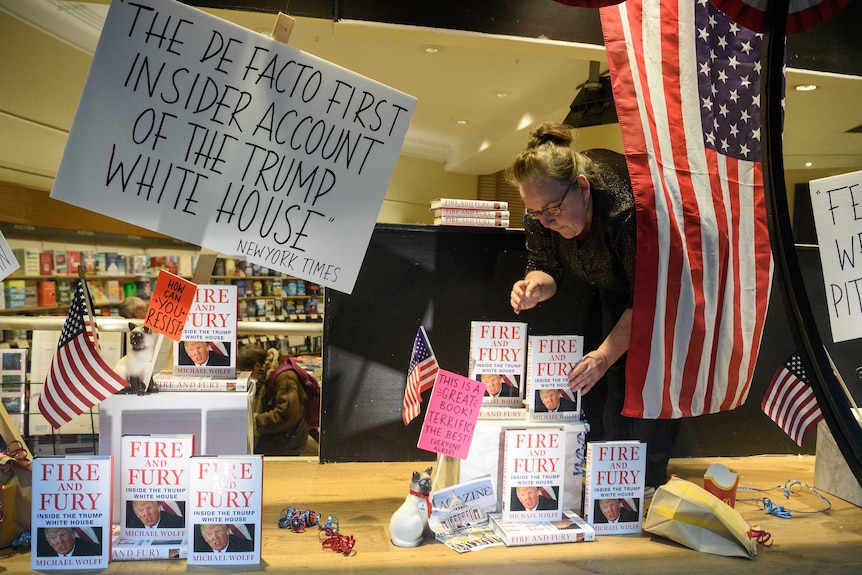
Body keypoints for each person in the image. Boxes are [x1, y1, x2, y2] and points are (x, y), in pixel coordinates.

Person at [508, 121, 681, 492]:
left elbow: (647, 302)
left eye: (553, 209)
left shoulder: (625, 211)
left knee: (651, 375)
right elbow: (547, 267)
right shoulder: (540, 207)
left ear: (583, 189)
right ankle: (614, 477)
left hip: (666, 286)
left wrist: (602, 355)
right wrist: (534, 286)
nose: (547, 222)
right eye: (537, 214)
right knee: (614, 377)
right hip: (616, 286)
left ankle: (650, 481)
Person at [237, 346, 314, 456]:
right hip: (277, 438)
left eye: (246, 372)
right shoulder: (265, 376)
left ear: (257, 365)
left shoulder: (285, 377)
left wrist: (254, 422)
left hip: (286, 444)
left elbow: (286, 415)